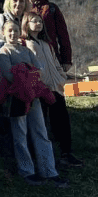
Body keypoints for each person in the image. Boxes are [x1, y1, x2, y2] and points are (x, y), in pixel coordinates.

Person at [0, 20, 67, 187]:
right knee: (20, 136)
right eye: (9, 31)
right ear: (4, 33)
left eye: (15, 31)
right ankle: (27, 171)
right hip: (17, 99)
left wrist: (25, 75)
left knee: (41, 133)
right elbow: (8, 75)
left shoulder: (27, 50)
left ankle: (49, 171)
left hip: (33, 97)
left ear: (20, 32)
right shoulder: (4, 52)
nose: (13, 34)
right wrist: (28, 75)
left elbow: (39, 70)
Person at [23, 11, 84, 168]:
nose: (38, 24)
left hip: (56, 88)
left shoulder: (46, 44)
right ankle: (45, 159)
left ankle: (66, 154)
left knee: (62, 122)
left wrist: (60, 78)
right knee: (43, 125)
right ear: (26, 24)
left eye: (40, 21)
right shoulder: (25, 44)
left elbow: (56, 63)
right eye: (34, 21)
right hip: (40, 91)